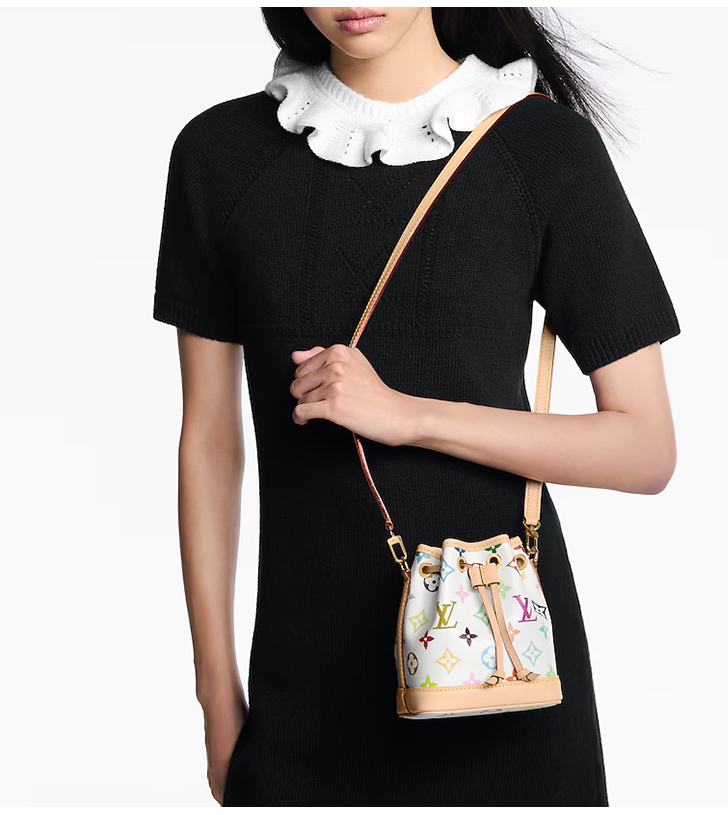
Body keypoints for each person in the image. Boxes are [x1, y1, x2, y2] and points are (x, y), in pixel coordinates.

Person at [152, 7, 681, 807]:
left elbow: (644, 447)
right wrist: (215, 698)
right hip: (304, 701)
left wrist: (409, 415)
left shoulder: (540, 146)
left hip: (504, 690)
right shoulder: (221, 155)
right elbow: (209, 442)